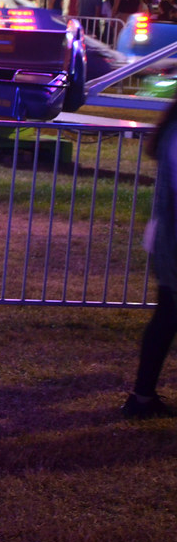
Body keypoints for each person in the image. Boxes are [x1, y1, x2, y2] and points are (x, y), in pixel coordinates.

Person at [124, 99, 177, 419]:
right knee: (167, 317)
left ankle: (142, 397)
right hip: (173, 239)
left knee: (168, 317)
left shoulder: (171, 128)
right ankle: (141, 397)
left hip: (167, 239)